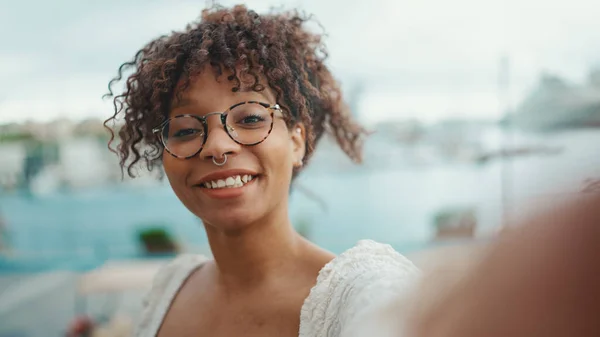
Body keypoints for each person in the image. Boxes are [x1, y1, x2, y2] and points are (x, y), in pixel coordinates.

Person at [104, 5, 419, 337]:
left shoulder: (369, 297)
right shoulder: (168, 290)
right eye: (184, 130)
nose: (216, 146)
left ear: (298, 141)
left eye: (251, 118)